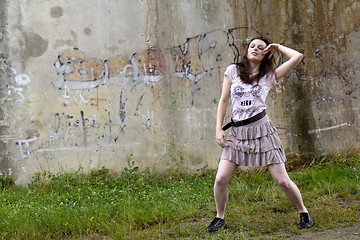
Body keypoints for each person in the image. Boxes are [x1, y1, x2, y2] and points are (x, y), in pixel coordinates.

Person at [207, 36, 314, 232]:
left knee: (282, 180)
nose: (255, 49)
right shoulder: (233, 71)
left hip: (262, 131)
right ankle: (219, 216)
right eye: (251, 46)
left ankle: (303, 211)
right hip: (237, 132)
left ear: (266, 54)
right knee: (221, 179)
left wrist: (278, 47)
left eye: (260, 47)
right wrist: (218, 128)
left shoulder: (269, 75)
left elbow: (297, 56)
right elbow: (223, 101)